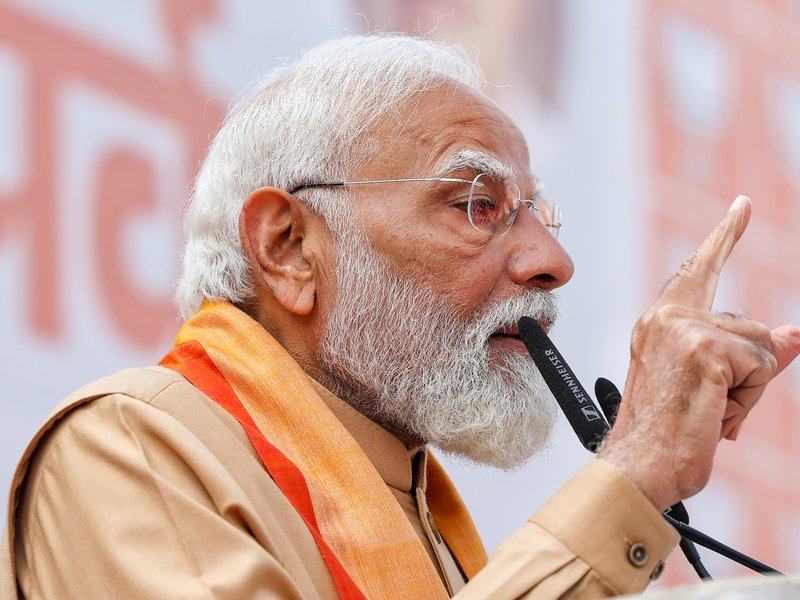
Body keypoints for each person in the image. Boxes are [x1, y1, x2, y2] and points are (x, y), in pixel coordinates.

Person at [2, 34, 799, 599]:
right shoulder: (128, 452)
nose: (552, 261)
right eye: (479, 205)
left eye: (536, 213)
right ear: (288, 248)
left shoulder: (415, 500)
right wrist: (636, 467)